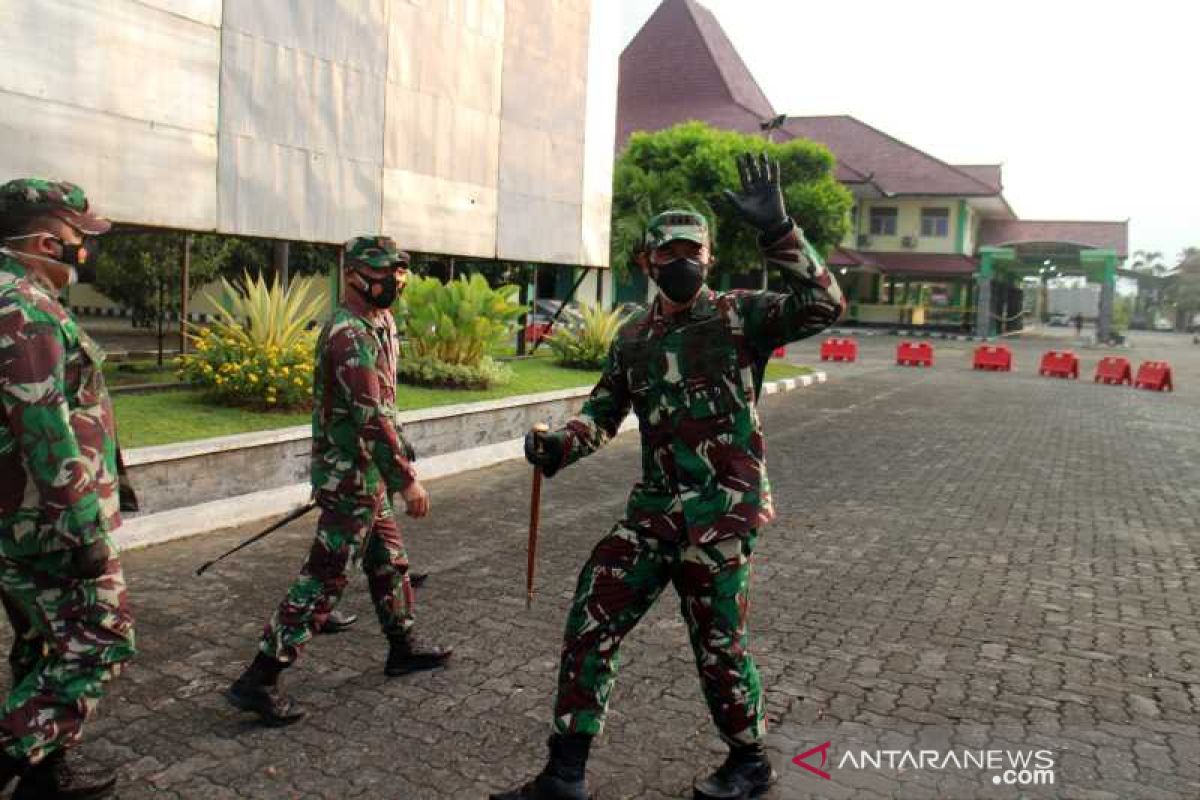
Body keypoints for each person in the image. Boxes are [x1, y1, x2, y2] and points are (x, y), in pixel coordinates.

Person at [492, 154, 844, 800]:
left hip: (721, 517)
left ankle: (750, 761)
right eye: (668, 250)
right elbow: (602, 414)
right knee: (592, 612)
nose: (680, 259)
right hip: (654, 516)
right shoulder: (634, 340)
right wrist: (556, 447)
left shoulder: (742, 318)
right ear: (649, 262)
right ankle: (565, 773)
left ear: (708, 258)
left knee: (719, 650)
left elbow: (825, 304)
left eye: (692, 249)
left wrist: (780, 231)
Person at [226, 236, 451, 727]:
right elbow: (368, 414)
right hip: (352, 477)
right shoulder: (347, 333)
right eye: (389, 274)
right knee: (325, 577)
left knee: (389, 562)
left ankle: (403, 646)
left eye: (400, 274)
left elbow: (384, 402)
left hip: (369, 473)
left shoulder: (380, 323)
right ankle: (260, 677)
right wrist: (407, 479)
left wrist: (398, 447)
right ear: (355, 277)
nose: (398, 283)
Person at [0, 178, 138, 799]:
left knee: (41, 643)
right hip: (46, 521)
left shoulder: (18, 297)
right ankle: (13, 750)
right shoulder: (22, 307)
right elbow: (43, 424)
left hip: (25, 516)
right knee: (104, 633)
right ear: (44, 239)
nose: (84, 251)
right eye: (78, 238)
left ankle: (45, 775)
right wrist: (84, 527)